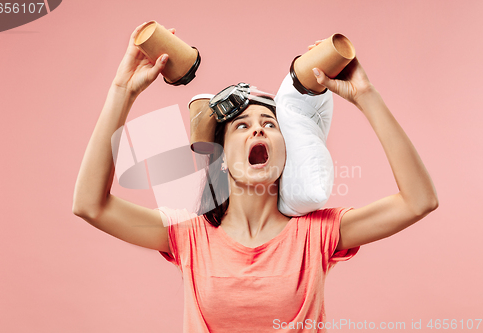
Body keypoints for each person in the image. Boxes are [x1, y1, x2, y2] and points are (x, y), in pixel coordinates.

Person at [72, 23, 438, 332]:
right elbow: (90, 205)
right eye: (241, 126)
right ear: (222, 159)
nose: (258, 132)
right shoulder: (189, 235)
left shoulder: (315, 233)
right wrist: (123, 90)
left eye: (269, 125)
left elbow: (419, 201)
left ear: (285, 151)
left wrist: (366, 96)